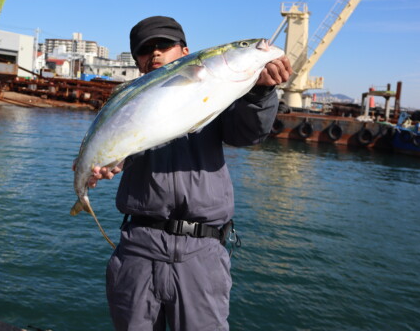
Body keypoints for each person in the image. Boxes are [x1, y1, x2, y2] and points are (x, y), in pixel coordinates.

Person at [89, 16, 292, 330]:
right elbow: (116, 156)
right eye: (145, 50)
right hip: (139, 247)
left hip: (202, 249)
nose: (154, 53)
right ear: (138, 62)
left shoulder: (219, 92)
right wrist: (102, 167)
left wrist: (260, 94)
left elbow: (248, 134)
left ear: (185, 51)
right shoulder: (128, 104)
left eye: (164, 45)